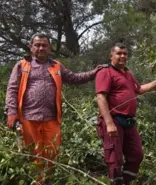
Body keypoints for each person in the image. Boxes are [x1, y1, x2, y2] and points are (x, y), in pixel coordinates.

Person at [5, 33, 102, 183]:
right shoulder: (22, 65)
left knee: (52, 152)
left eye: (44, 45)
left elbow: (74, 78)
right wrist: (11, 112)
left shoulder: (56, 66)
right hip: (28, 117)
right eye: (37, 45)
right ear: (31, 47)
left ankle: (48, 179)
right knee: (33, 154)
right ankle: (38, 181)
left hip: (52, 117)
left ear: (50, 48)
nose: (41, 48)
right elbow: (12, 89)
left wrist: (93, 73)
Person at [95, 43, 156, 185]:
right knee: (115, 158)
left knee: (136, 154)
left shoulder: (127, 73)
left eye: (125, 54)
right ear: (111, 56)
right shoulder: (105, 72)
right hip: (114, 120)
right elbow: (101, 97)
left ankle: (126, 181)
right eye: (119, 53)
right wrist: (109, 123)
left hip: (129, 122)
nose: (122, 56)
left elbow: (139, 89)